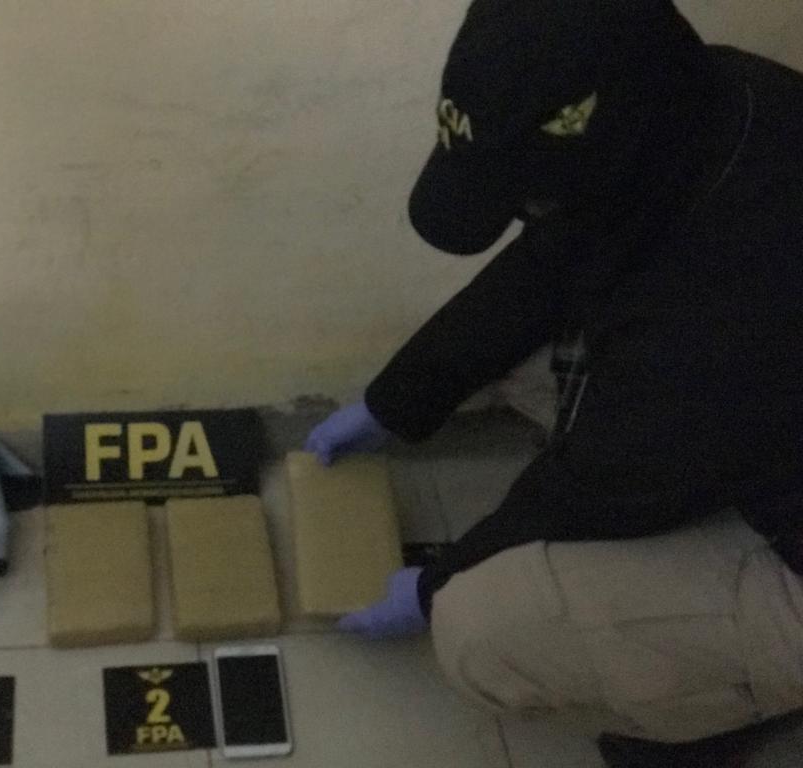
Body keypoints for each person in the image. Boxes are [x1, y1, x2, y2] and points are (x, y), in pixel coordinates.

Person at [304, 0, 803, 765]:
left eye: (532, 199)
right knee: (513, 352)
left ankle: (721, 705)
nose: (528, 217)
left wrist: (439, 582)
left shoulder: (739, 290)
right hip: (746, 417)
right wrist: (395, 400)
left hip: (769, 512)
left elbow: (612, 478)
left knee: (481, 630)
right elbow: (553, 260)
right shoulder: (704, 105)